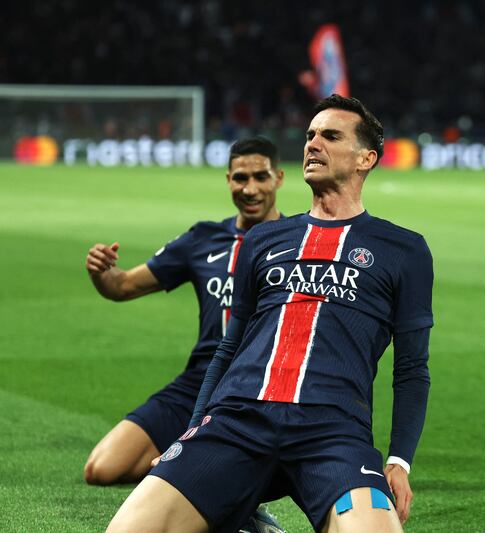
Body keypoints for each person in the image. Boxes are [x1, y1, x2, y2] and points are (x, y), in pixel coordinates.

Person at [106, 94, 434, 533]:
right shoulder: (264, 240)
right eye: (310, 135)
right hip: (236, 421)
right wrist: (191, 431)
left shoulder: (404, 250)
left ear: (366, 159)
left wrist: (399, 460)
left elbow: (412, 368)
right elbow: (229, 347)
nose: (313, 143)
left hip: (333, 432)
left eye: (331, 136)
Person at [84, 136, 284, 486]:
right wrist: (101, 272)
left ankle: (197, 469)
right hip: (200, 381)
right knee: (101, 468)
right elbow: (122, 286)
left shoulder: (299, 239)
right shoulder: (203, 239)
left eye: (260, 177)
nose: (250, 189)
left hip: (262, 387)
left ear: (278, 178)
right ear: (228, 180)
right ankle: (189, 464)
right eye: (240, 178)